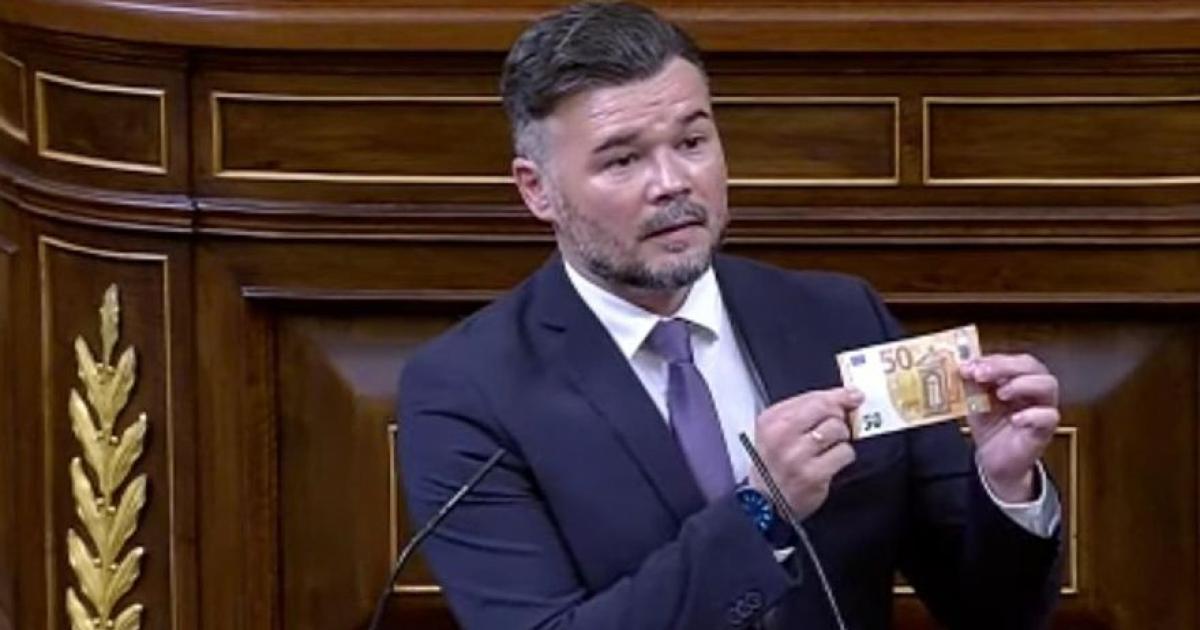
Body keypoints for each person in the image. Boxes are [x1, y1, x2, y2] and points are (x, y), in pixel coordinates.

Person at [398, 2, 1062, 628]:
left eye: (692, 141)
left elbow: (991, 613)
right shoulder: (467, 390)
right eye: (623, 159)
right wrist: (760, 513)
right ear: (536, 189)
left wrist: (1005, 486)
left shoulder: (838, 317)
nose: (672, 182)